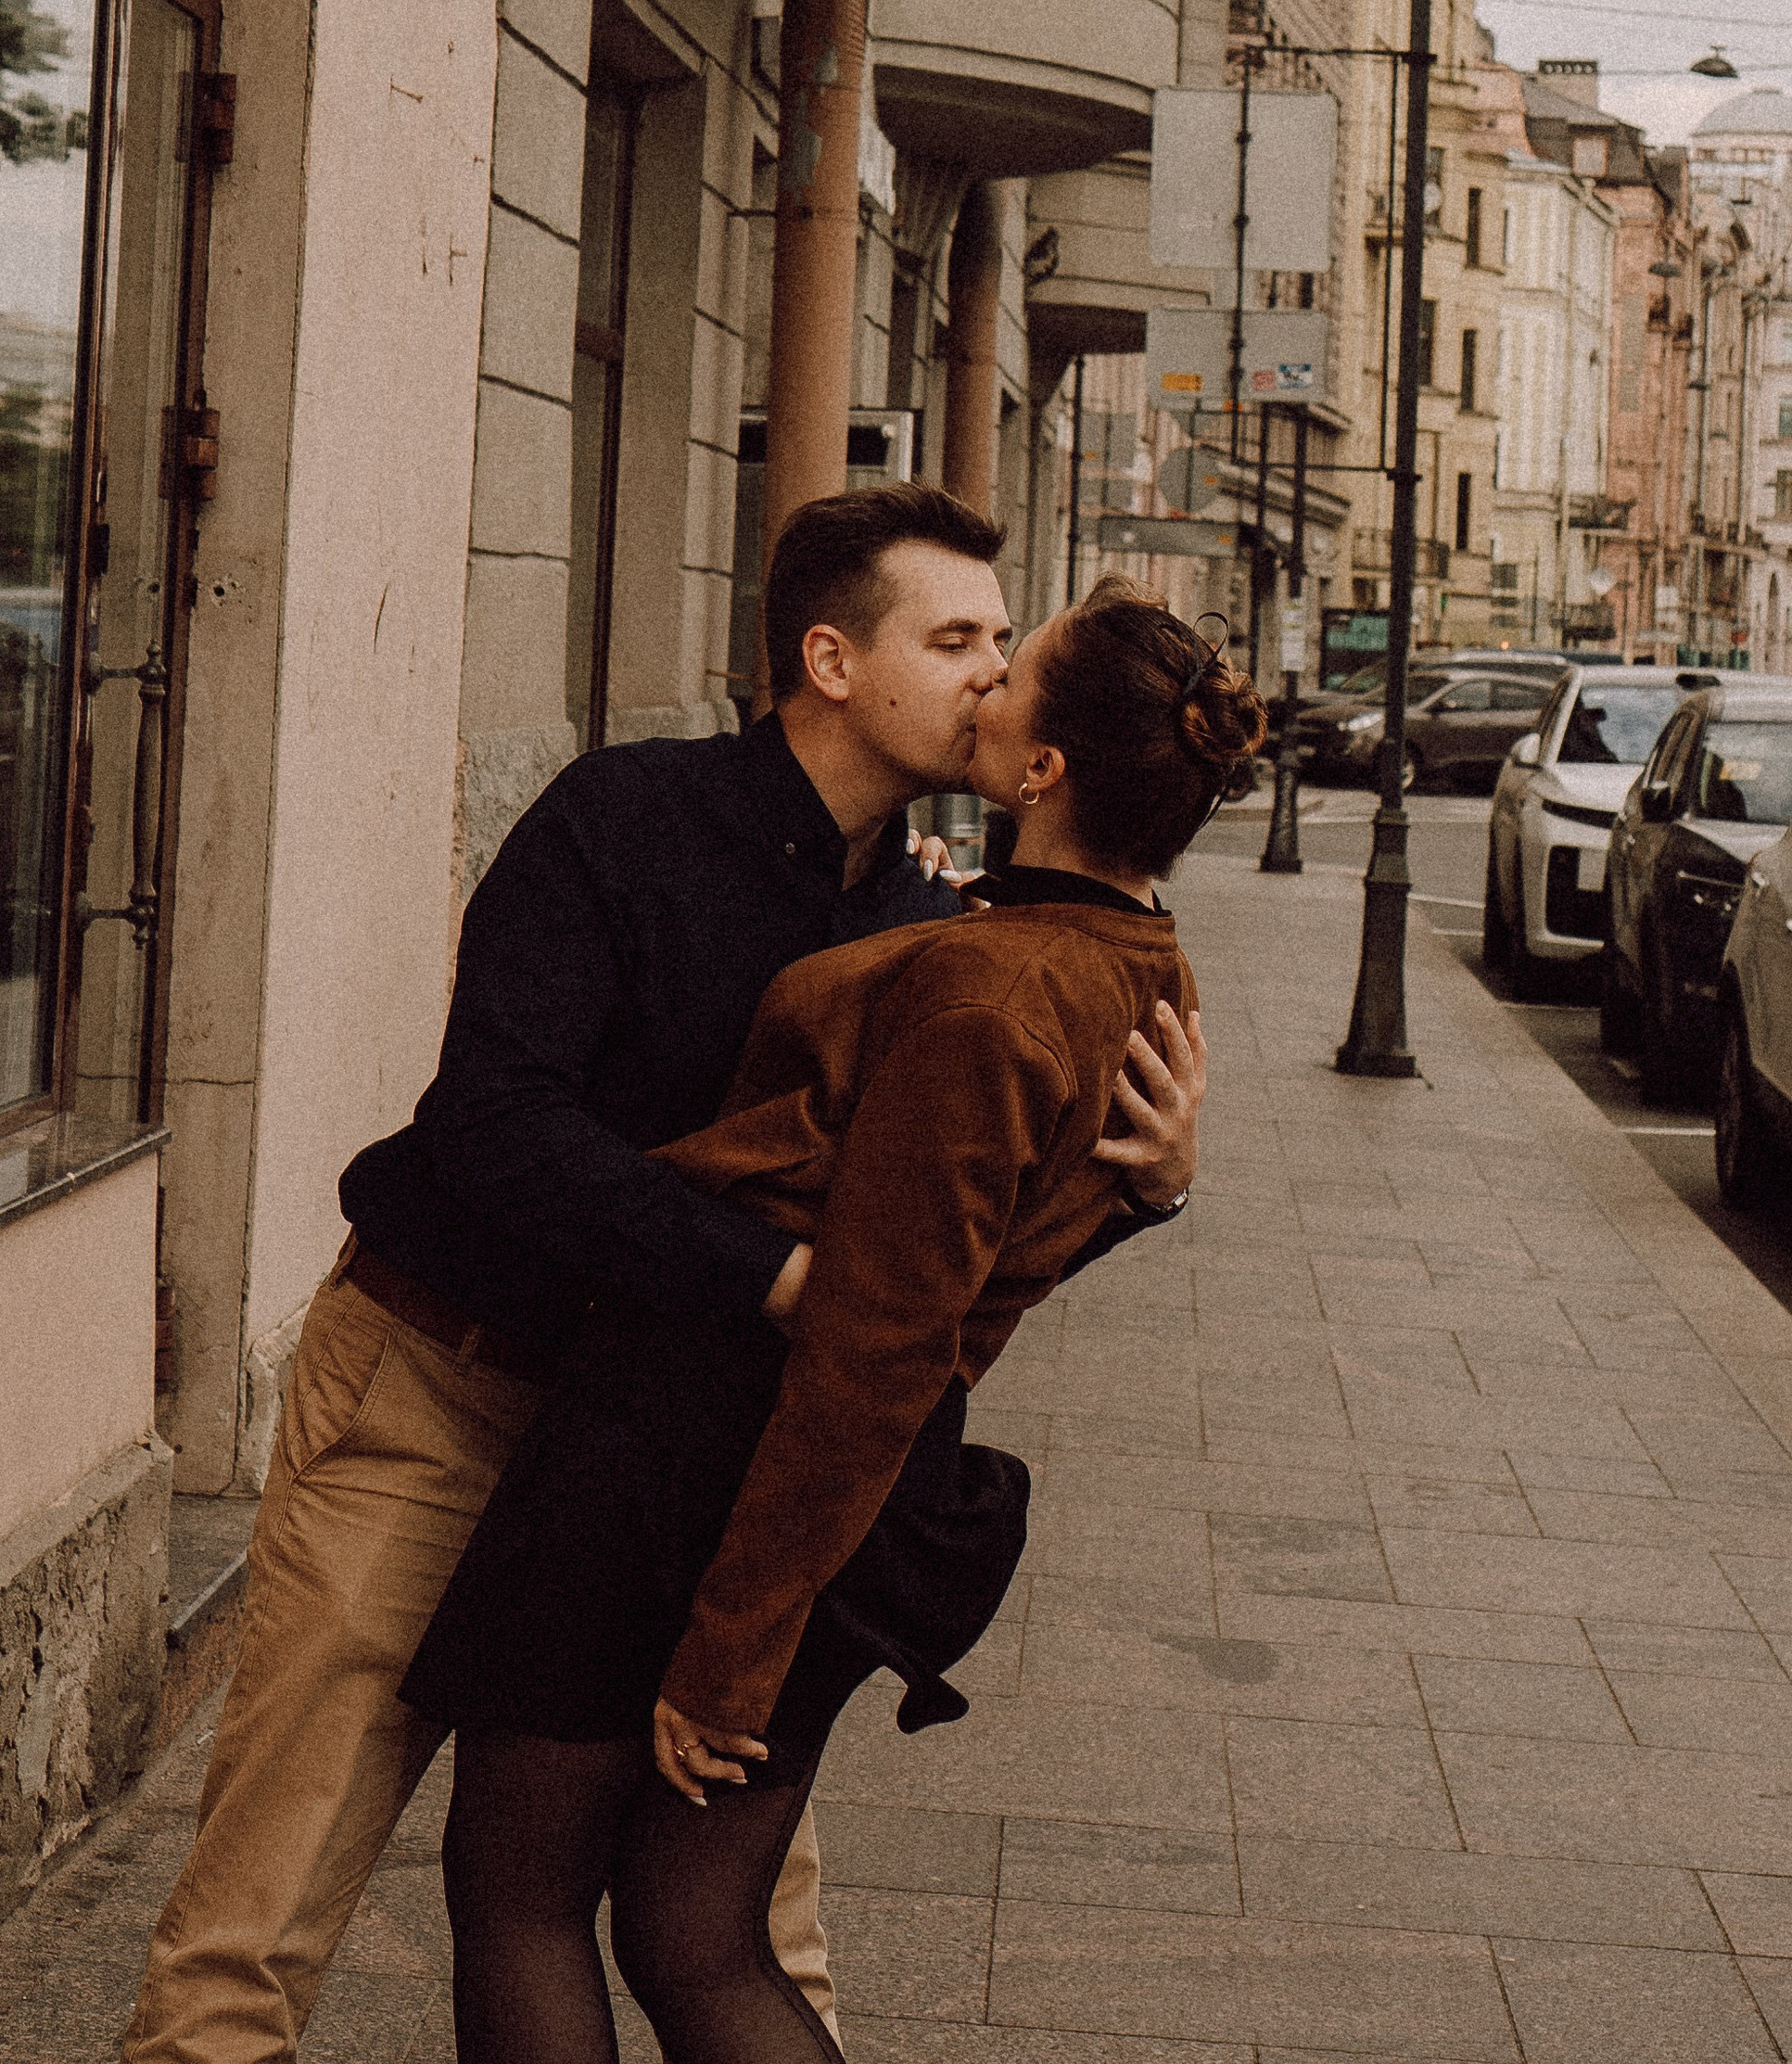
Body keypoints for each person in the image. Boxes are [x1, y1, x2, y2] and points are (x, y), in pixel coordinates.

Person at [123, 491, 1206, 2064]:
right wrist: (773, 1278)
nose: (989, 675)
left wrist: (1148, 1188)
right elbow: (495, 1125)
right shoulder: (623, 818)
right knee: (264, 1907)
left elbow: (949, 1242)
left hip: (662, 1459)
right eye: (958, 637)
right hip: (444, 1385)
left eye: (1002, 645)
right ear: (831, 660)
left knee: (742, 1921)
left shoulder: (930, 919)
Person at [399, 580, 1260, 2064]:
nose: (983, 683)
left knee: (527, 1900)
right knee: (688, 1932)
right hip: (784, 1482)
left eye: (1014, 666)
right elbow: (1004, 1245)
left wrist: (727, 1650)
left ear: (1045, 770)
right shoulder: (1119, 955)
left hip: (696, 1457)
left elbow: (880, 1342)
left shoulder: (986, 993)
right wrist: (1146, 1196)